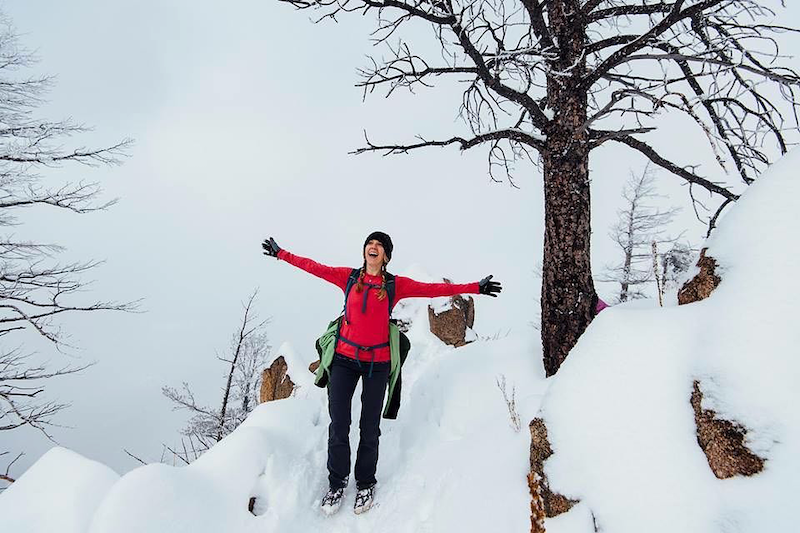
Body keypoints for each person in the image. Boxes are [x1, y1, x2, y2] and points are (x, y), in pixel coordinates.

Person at [261, 231, 501, 515]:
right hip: (344, 361)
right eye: (369, 244)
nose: (373, 247)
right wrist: (281, 254)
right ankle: (336, 482)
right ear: (364, 251)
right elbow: (314, 267)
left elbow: (432, 290)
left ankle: (365, 483)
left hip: (378, 363)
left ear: (385, 256)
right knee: (338, 424)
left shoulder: (394, 285)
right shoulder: (348, 278)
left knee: (369, 427)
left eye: (379, 246)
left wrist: (476, 287)